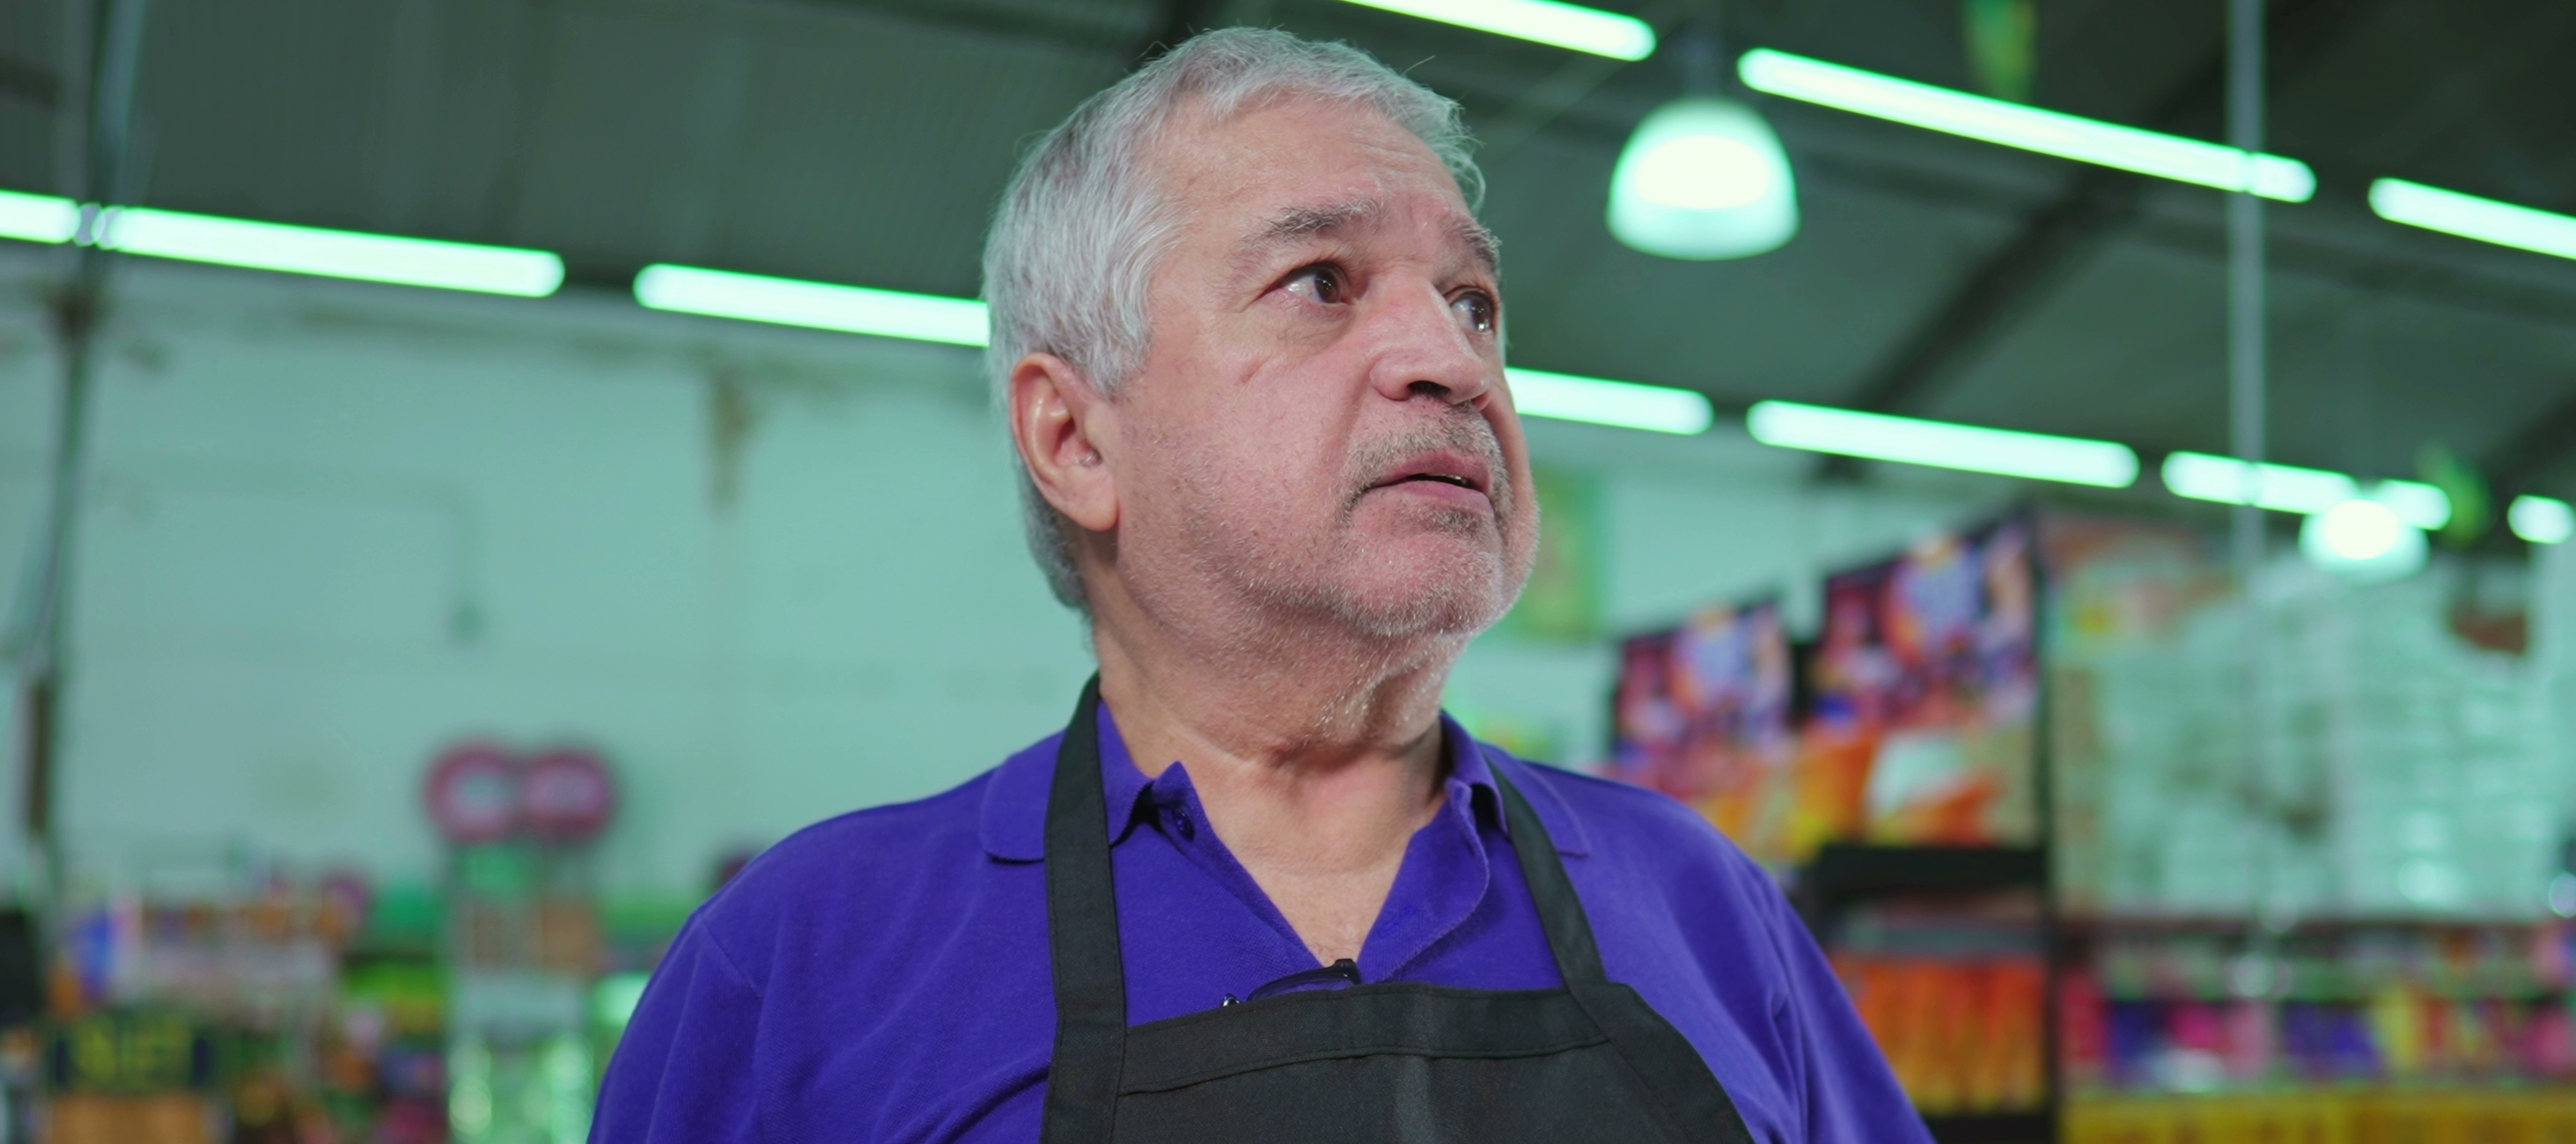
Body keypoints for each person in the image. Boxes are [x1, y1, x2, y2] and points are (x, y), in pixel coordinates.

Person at [592, 27, 1929, 1144]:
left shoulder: (1700, 902)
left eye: (1471, 301)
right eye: (1320, 283)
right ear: (1076, 440)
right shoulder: (806, 962)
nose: (1451, 363)